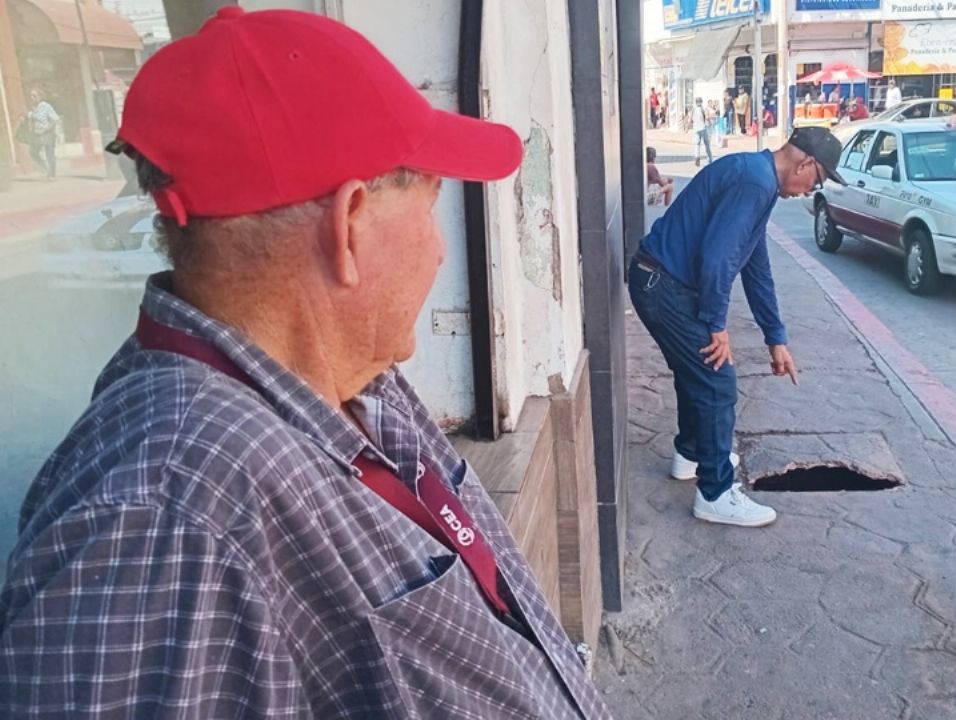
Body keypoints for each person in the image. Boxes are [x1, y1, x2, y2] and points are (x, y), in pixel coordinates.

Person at [0, 8, 612, 719]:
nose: (441, 250)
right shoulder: (164, 518)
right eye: (429, 205)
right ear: (349, 227)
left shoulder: (345, 383)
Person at [629, 127, 845, 528]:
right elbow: (719, 259)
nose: (808, 191)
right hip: (663, 285)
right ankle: (715, 493)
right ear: (806, 163)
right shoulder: (754, 181)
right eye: (816, 180)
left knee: (698, 373)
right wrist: (716, 324)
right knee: (717, 381)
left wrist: (775, 336)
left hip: (660, 280)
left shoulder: (759, 179)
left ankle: (693, 453)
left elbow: (755, 265)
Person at [22, 89, 59, 179]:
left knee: (49, 153)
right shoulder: (33, 108)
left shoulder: (46, 106)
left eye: (34, 96)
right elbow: (31, 117)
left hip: (47, 134)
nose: (32, 98)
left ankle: (52, 174)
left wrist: (45, 129)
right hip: (37, 134)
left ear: (40, 96)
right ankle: (46, 169)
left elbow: (55, 120)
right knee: (33, 152)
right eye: (31, 96)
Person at [692, 97, 713, 167]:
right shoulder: (704, 109)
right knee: (707, 144)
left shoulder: (693, 109)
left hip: (696, 129)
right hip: (703, 128)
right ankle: (709, 159)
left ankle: (697, 157)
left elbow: (690, 119)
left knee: (697, 144)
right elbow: (707, 117)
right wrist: (710, 121)